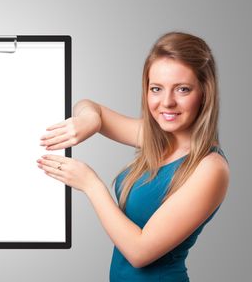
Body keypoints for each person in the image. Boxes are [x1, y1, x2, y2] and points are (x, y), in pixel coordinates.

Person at [36, 31, 230, 281]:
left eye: (182, 89)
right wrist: (89, 120)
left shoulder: (211, 167)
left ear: (205, 92)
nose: (167, 102)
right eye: (156, 89)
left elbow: (139, 251)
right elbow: (88, 105)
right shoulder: (156, 138)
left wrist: (91, 185)